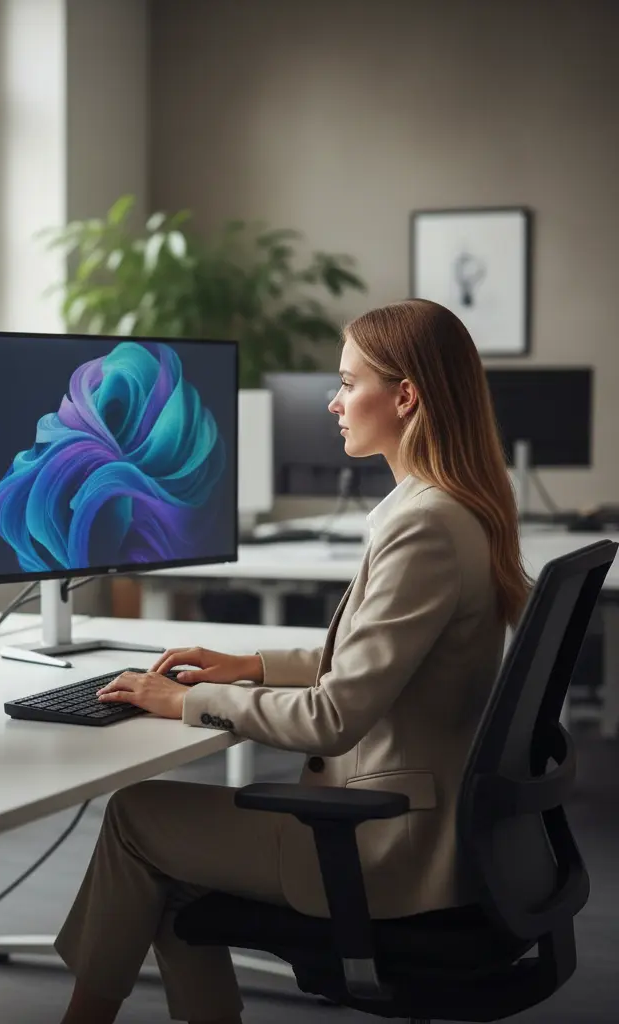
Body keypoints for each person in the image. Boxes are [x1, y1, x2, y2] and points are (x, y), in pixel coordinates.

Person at [53, 299, 531, 1024]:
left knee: (134, 817)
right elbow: (376, 661)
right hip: (428, 831)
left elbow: (334, 717)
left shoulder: (425, 527)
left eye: (347, 382)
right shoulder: (449, 508)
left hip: (384, 849)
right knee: (171, 879)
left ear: (405, 397)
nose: (335, 402)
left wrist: (177, 700)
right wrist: (243, 665)